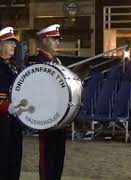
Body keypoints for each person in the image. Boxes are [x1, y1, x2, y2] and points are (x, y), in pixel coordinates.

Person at [30, 24, 66, 180]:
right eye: (54, 39)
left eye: (58, 40)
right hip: (46, 118)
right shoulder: (36, 61)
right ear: (44, 41)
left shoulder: (57, 61)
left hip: (60, 116)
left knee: (58, 158)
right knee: (48, 159)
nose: (58, 43)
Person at [0, 27, 23, 180]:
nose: (14, 45)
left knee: (14, 161)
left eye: (14, 43)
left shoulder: (14, 66)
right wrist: (7, 106)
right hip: (1, 121)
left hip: (15, 121)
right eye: (10, 42)